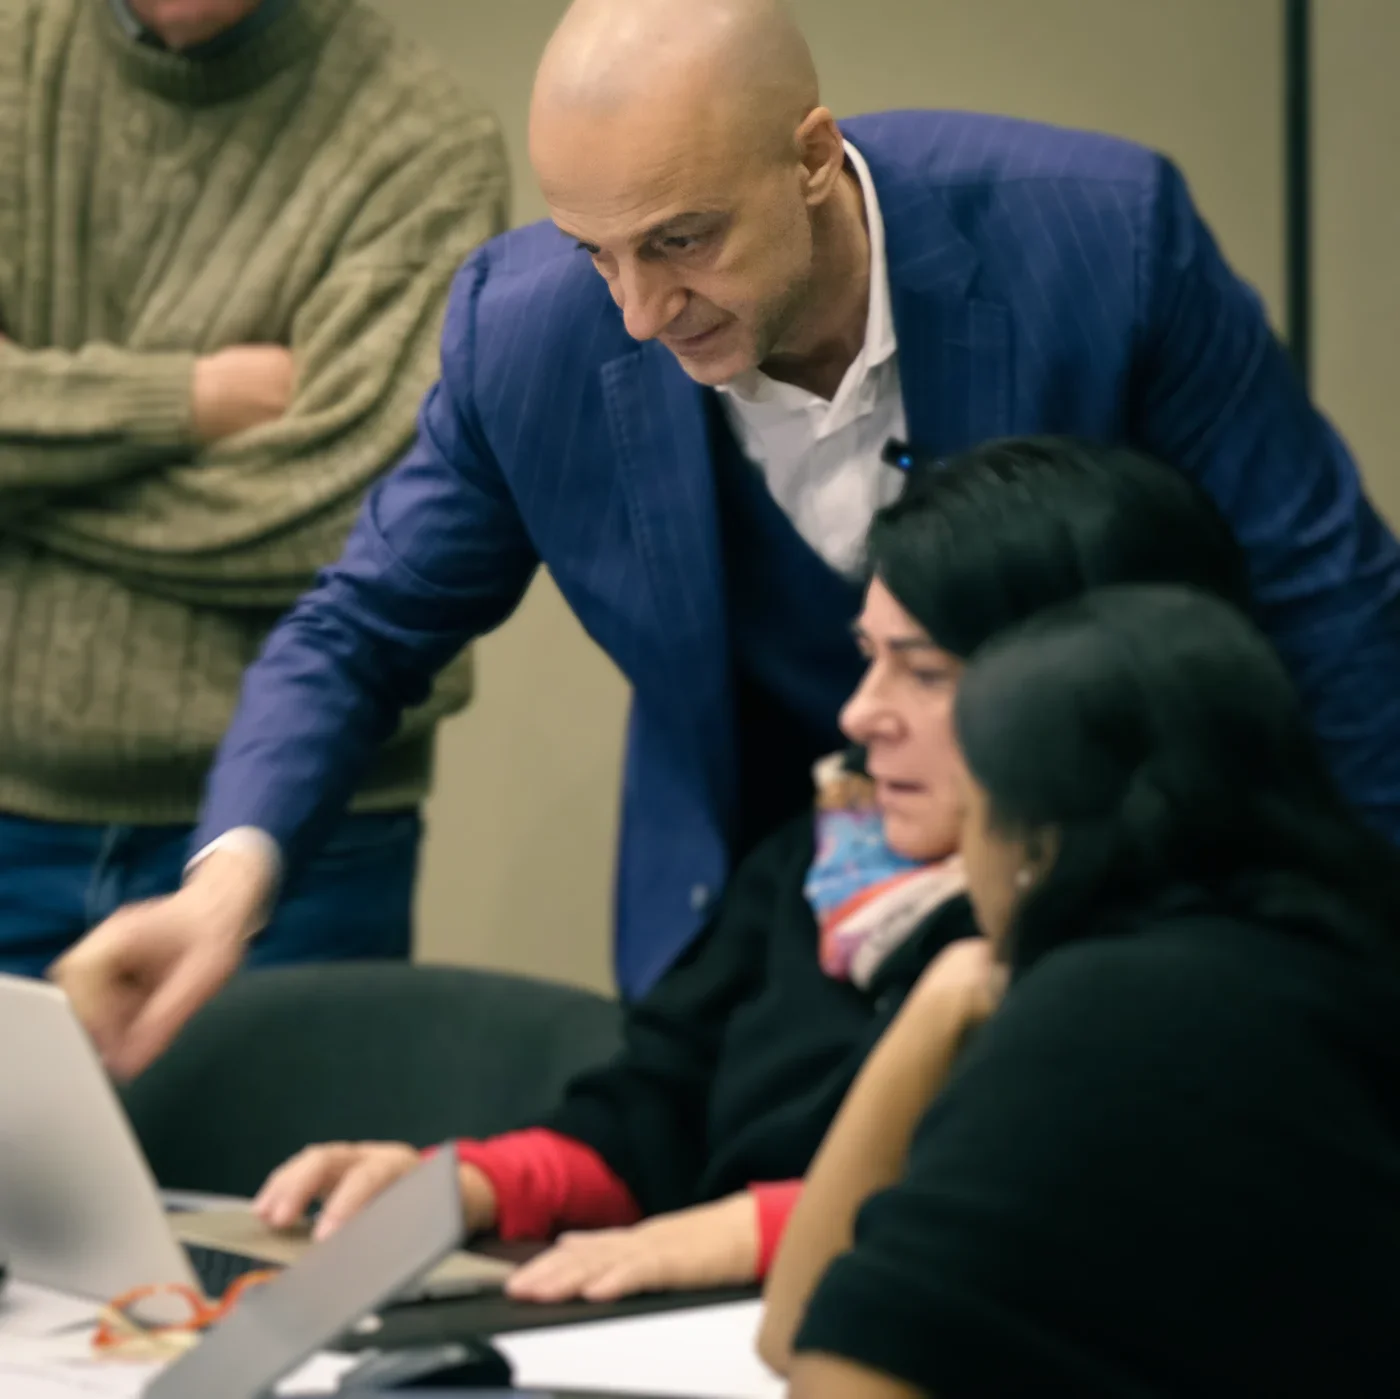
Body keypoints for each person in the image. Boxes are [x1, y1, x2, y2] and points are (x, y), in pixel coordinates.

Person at [57, 0, 1400, 1077]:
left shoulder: (1106, 245)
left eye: (682, 240)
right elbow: (358, 631)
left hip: (1106, 923)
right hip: (755, 976)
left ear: (812, 156)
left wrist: (1359, 946)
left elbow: (1329, 605)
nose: (640, 312)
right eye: (596, 250)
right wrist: (226, 882)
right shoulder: (528, 334)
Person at [249, 437, 1254, 1306]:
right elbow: (651, 1118)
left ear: (1086, 692)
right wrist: (457, 1188)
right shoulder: (821, 858)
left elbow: (1050, 1210)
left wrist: (747, 1230)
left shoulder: (1174, 946)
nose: (861, 716)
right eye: (868, 659)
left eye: (927, 673)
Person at [761, 587, 1400, 1399]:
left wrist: (943, 1005)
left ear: (1035, 837)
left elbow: (816, 1357)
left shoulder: (1101, 1016)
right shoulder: (1336, 958)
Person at [0, 0, 508, 977]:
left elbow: (355, 521)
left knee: (285, 1138)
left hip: (306, 840)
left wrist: (31, 469)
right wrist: (183, 401)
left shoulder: (424, 140)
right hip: (8, 813)